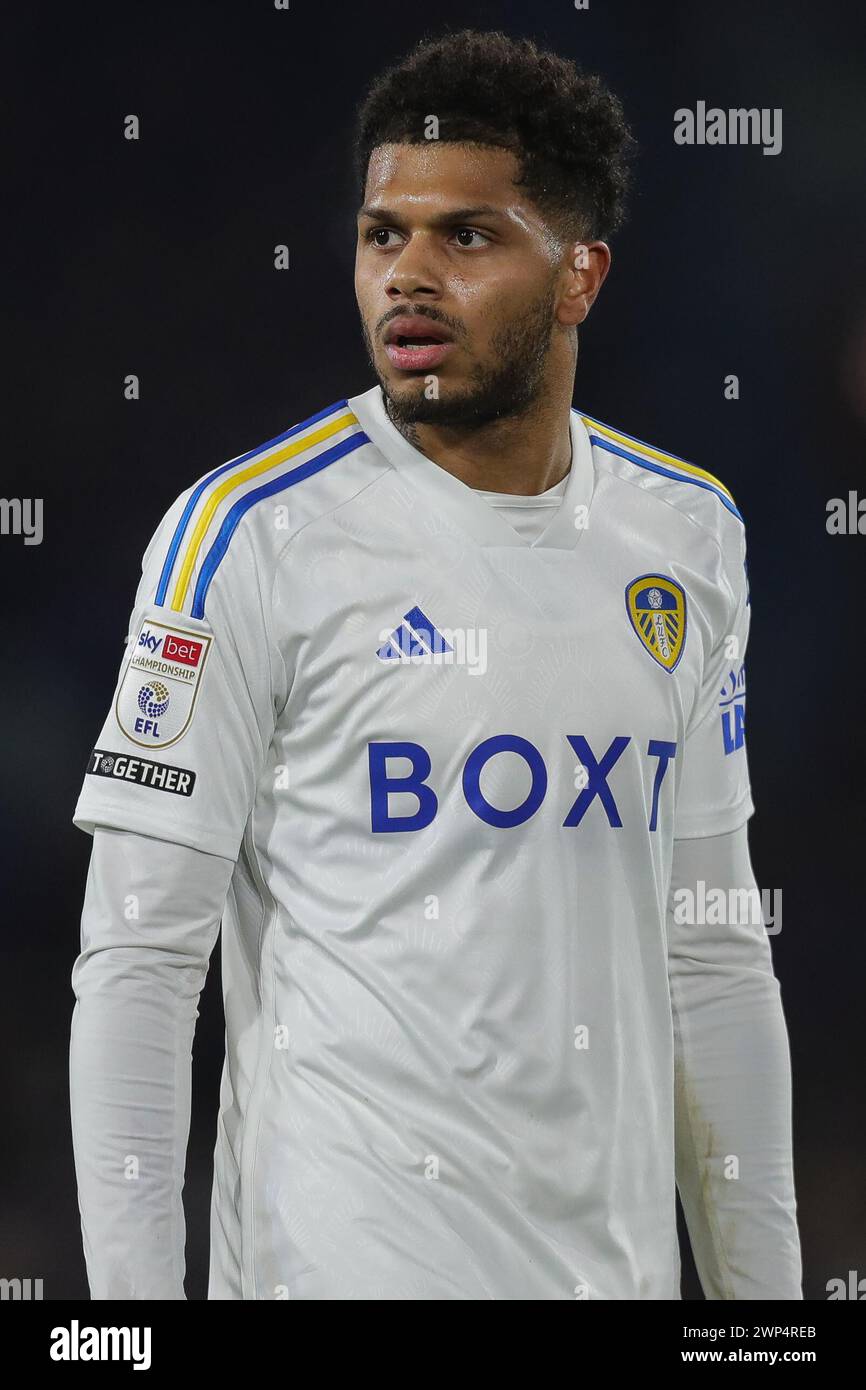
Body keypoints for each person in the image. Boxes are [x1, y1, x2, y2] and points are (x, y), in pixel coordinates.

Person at [69, 28, 802, 1300]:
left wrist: (767, 1314)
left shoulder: (686, 534)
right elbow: (138, 963)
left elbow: (713, 955)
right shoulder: (246, 535)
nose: (404, 275)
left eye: (465, 236)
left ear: (578, 274)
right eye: (378, 234)